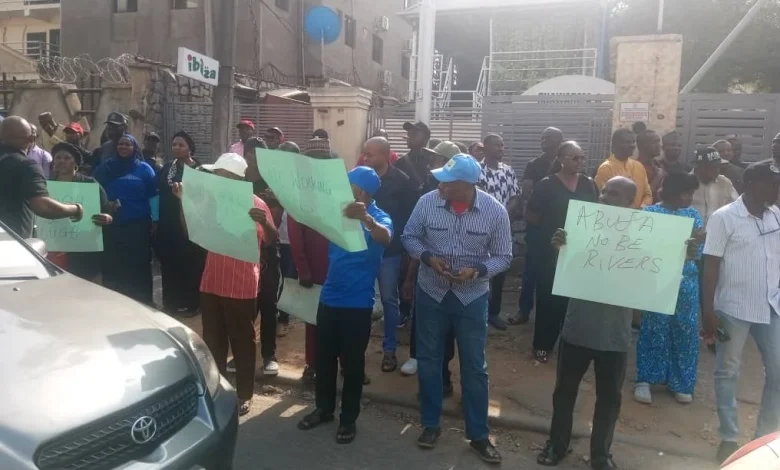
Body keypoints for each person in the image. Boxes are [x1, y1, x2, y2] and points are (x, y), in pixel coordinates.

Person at [402, 154, 512, 463]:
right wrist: (427, 258)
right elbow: (409, 236)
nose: (440, 184)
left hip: (471, 297)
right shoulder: (427, 202)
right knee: (429, 359)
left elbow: (504, 256)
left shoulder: (494, 211)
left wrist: (476, 270)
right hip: (431, 292)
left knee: (474, 366)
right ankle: (430, 423)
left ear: (464, 186)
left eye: (446, 182)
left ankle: (478, 435)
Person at [537, 176, 641, 470]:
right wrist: (561, 249)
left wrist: (681, 251)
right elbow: (565, 274)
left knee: (609, 398)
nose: (605, 197)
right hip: (578, 326)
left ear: (630, 203)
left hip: (615, 334)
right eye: (604, 191)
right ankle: (557, 445)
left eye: (615, 194)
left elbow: (656, 274)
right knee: (564, 391)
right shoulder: (581, 226)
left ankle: (600, 454)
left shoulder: (644, 236)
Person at [171, 152, 277, 416]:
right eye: (215, 174)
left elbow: (272, 240)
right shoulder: (210, 203)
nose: (215, 178)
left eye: (219, 174)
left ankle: (244, 394)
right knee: (213, 339)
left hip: (241, 283)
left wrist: (264, 222)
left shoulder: (256, 204)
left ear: (233, 178)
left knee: (243, 340)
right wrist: (184, 203)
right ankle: (216, 388)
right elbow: (188, 233)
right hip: (212, 280)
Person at [297, 166, 392, 445]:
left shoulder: (379, 216)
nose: (343, 189)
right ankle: (324, 409)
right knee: (324, 359)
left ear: (362, 191)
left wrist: (366, 220)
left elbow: (386, 237)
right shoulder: (337, 209)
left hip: (357, 305)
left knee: (352, 365)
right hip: (329, 298)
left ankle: (348, 419)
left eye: (349, 185)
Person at [702, 160, 780, 463]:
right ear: (751, 185)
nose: (777, 189)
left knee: (778, 373)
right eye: (772, 183)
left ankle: (764, 437)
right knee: (727, 372)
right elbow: (710, 265)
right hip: (733, 308)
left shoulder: (776, 216)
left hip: (771, 306)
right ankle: (729, 437)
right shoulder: (724, 218)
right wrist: (707, 312)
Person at [526, 142, 599, 364]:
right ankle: (543, 345)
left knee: (574, 300)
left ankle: (573, 345)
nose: (580, 162)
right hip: (552, 251)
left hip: (580, 251)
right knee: (549, 299)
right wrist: (551, 235)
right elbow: (531, 216)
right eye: (574, 158)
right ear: (561, 159)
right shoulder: (546, 185)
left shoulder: (588, 184)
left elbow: (596, 213)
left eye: (582, 158)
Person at [634, 173, 703, 406]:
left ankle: (681, 383)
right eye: (686, 193)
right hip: (656, 280)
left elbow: (698, 254)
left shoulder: (693, 215)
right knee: (655, 326)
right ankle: (645, 379)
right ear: (671, 191)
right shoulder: (650, 214)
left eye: (692, 193)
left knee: (685, 330)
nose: (690, 198)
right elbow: (641, 250)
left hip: (686, 283)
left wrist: (694, 247)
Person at [400, 140, 460, 382]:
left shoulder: (462, 195)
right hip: (427, 269)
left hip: (457, 278)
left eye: (436, 159)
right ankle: (416, 356)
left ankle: (442, 373)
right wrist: (411, 276)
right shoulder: (428, 194)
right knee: (421, 317)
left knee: (448, 325)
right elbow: (414, 237)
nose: (431, 163)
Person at [362, 136, 416, 372]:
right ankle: (357, 351)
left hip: (390, 252)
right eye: (365, 153)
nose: (366, 158)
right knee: (363, 300)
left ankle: (389, 350)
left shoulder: (402, 182)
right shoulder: (361, 179)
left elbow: (409, 219)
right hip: (363, 249)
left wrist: (404, 249)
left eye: (370, 154)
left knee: (389, 300)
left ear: (385, 155)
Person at [288, 138, 335, 383]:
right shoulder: (300, 193)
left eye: (323, 161)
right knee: (313, 317)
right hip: (313, 266)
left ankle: (341, 362)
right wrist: (302, 268)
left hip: (338, 265)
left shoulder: (338, 187)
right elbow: (295, 234)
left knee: (339, 315)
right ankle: (312, 363)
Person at [93, 134, 157, 305]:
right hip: (112, 225)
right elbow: (94, 191)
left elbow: (153, 197)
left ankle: (142, 301)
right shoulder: (105, 168)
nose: (122, 147)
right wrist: (105, 205)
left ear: (135, 148)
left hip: (138, 226)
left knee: (139, 263)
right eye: (120, 144)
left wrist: (156, 220)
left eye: (127, 145)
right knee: (114, 263)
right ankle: (115, 302)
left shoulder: (144, 169)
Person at [513, 127, 565, 325]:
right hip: (537, 224)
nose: (544, 140)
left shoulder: (565, 163)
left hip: (560, 226)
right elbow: (528, 192)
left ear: (559, 140)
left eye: (549, 138)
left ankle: (554, 314)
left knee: (557, 271)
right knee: (531, 270)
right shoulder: (534, 164)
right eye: (542, 137)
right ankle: (523, 311)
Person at [0, 116, 82, 238]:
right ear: (31, 138)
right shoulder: (26, 165)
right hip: (12, 244)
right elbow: (42, 206)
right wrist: (76, 209)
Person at [156, 131, 205, 316]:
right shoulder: (167, 168)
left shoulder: (200, 170)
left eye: (181, 145)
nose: (176, 147)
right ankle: (171, 303)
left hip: (191, 224)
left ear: (190, 148)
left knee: (191, 263)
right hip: (168, 224)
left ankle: (192, 303)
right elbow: (157, 193)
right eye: (174, 144)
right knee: (170, 263)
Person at [47, 142, 113, 280]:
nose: (61, 161)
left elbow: (107, 210)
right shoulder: (46, 186)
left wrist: (107, 217)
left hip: (85, 250)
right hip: (56, 248)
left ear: (75, 162)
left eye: (66, 158)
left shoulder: (90, 184)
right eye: (58, 158)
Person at [477, 133, 519, 331]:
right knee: (480, 268)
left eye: (502, 146)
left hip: (502, 227)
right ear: (485, 147)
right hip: (479, 226)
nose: (501, 149)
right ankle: (479, 311)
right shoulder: (477, 170)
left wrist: (502, 215)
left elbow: (515, 196)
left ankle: (494, 313)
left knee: (500, 270)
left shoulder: (508, 171)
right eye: (497, 146)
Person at [275, 139, 301, 336]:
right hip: (279, 234)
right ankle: (281, 312)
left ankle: (284, 316)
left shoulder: (301, 178)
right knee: (282, 276)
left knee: (291, 276)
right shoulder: (274, 174)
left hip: (295, 235)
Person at [595, 128, 652, 208]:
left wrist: (642, 208)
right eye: (627, 142)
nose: (632, 146)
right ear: (615, 145)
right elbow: (603, 199)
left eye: (633, 142)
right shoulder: (606, 168)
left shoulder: (639, 166)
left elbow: (648, 194)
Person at [691, 146, 738, 226]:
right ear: (700, 167)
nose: (717, 170)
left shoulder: (725, 183)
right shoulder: (684, 182)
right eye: (714, 167)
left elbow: (736, 207)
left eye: (718, 167)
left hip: (717, 232)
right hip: (689, 233)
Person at [395, 121, 432, 193]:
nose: (409, 136)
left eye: (414, 134)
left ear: (425, 138)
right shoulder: (400, 162)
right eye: (409, 133)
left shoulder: (433, 161)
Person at [636, 130, 665, 203]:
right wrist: (659, 176)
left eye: (659, 142)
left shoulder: (658, 164)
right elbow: (641, 195)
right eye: (654, 142)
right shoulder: (635, 167)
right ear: (642, 146)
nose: (659, 145)